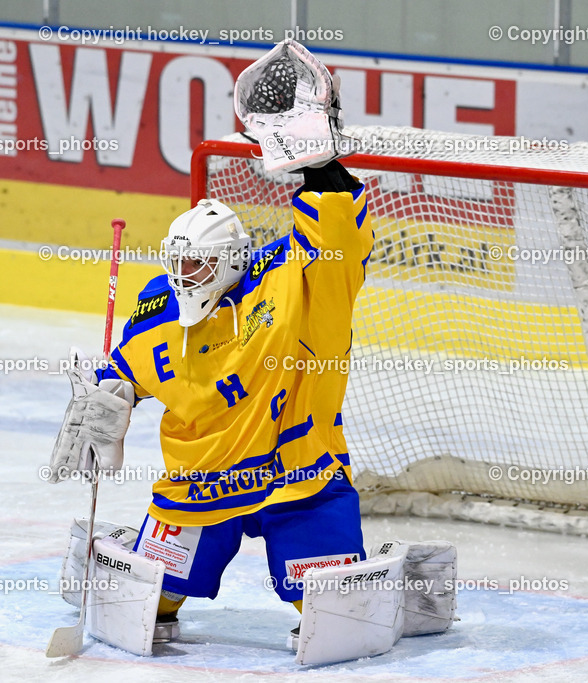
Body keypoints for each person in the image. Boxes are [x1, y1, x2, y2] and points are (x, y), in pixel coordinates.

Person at [49, 39, 373, 648]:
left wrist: (317, 165)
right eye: (179, 265)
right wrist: (106, 401)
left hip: (299, 480)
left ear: (231, 264)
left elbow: (335, 247)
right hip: (200, 485)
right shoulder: (159, 310)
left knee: (333, 622)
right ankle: (135, 551)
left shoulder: (290, 287)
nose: (185, 278)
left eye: (200, 266)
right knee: (153, 606)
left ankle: (378, 580)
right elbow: (131, 366)